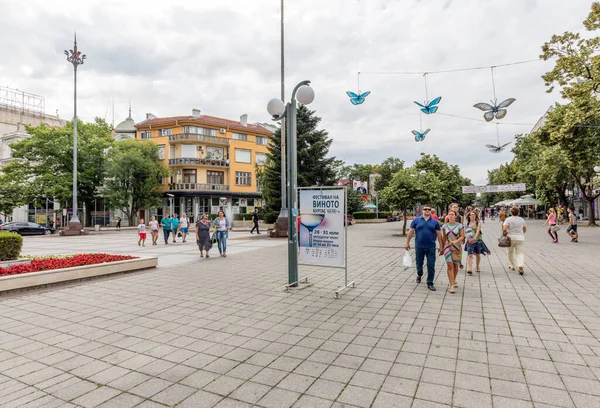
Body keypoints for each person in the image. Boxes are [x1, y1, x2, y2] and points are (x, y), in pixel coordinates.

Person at [405, 204, 442, 291]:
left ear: (430, 210)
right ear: (422, 210)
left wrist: (441, 246)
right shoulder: (416, 220)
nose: (427, 210)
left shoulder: (435, 222)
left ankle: (430, 283)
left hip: (431, 247)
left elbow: (439, 235)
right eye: (425, 209)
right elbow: (411, 232)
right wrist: (407, 243)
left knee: (431, 265)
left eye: (429, 209)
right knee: (419, 263)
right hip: (419, 246)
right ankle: (419, 273)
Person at [440, 210, 465, 293]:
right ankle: (451, 285)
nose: (450, 216)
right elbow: (443, 238)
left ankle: (453, 280)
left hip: (457, 248)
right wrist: (442, 248)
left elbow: (462, 236)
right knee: (450, 265)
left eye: (452, 214)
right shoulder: (444, 226)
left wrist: (455, 241)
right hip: (447, 247)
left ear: (455, 216)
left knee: (455, 266)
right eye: (449, 214)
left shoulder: (460, 226)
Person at [464, 210, 491, 274]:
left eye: (474, 215)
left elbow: (477, 232)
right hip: (469, 241)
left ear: (476, 216)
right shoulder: (467, 224)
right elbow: (465, 232)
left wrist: (474, 238)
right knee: (469, 254)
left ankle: (477, 266)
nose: (473, 216)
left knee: (478, 254)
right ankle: (470, 269)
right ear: (469, 216)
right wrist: (468, 239)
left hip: (477, 241)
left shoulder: (478, 223)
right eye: (471, 215)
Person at [503, 206, 527, 275]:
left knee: (510, 252)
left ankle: (512, 266)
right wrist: (520, 233)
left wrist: (505, 233)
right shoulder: (522, 220)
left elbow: (505, 229)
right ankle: (520, 266)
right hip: (520, 238)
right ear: (518, 212)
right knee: (520, 253)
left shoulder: (508, 219)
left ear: (511, 212)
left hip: (510, 238)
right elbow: (524, 229)